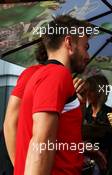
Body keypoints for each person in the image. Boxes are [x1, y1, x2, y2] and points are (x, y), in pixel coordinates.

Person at [13, 15, 90, 175]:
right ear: (69, 43)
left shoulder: (47, 75)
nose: (88, 56)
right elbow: (41, 144)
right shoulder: (57, 74)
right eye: (85, 47)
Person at [3, 41, 48, 166]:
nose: (87, 55)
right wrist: (19, 166)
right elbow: (10, 123)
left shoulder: (65, 80)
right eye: (85, 46)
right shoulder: (33, 73)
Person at [83, 74, 112, 175]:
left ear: (99, 92)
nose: (88, 94)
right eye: (86, 91)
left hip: (106, 161)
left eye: (91, 90)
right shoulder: (83, 113)